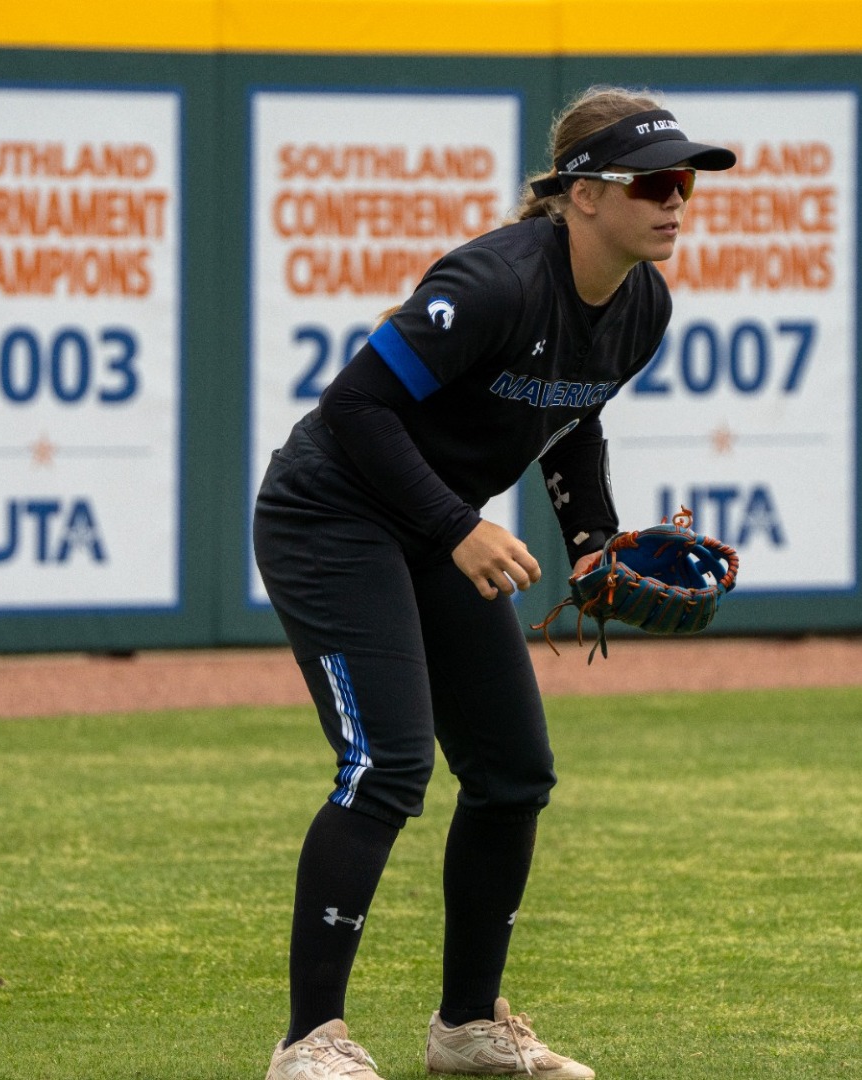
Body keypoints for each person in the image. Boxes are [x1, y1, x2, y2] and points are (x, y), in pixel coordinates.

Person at [254, 86, 735, 1080]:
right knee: (385, 765)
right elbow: (354, 408)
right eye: (654, 182)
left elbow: (573, 419)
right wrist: (458, 527)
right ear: (583, 194)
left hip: (433, 527)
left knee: (515, 771)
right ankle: (309, 1041)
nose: (676, 200)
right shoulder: (495, 281)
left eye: (685, 182)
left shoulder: (642, 303)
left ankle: (466, 1028)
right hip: (331, 514)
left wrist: (592, 541)